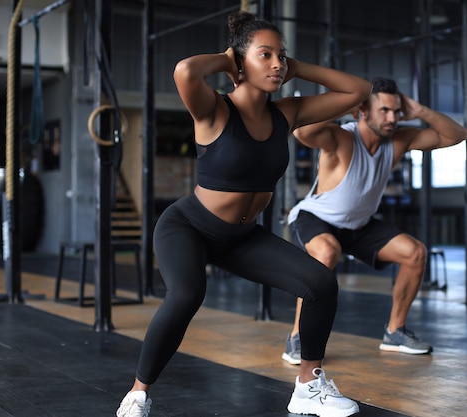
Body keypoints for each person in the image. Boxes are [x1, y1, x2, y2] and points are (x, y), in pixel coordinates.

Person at [115, 11, 371, 417]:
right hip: (189, 226)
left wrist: (298, 67)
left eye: (281, 57)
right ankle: (138, 394)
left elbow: (358, 90)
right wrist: (225, 60)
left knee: (320, 283)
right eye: (265, 55)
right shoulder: (214, 110)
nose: (276, 64)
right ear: (240, 61)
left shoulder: (285, 113)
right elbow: (184, 71)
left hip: (243, 237)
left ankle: (308, 385)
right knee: (187, 294)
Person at [281, 77, 467, 365]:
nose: (392, 118)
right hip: (316, 218)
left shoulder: (398, 141)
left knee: (414, 253)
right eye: (384, 110)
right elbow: (302, 132)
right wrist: (345, 107)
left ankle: (395, 331)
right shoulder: (343, 138)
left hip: (358, 224)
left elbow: (456, 135)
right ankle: (298, 337)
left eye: (396, 111)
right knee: (327, 251)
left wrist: (419, 111)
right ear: (364, 111)